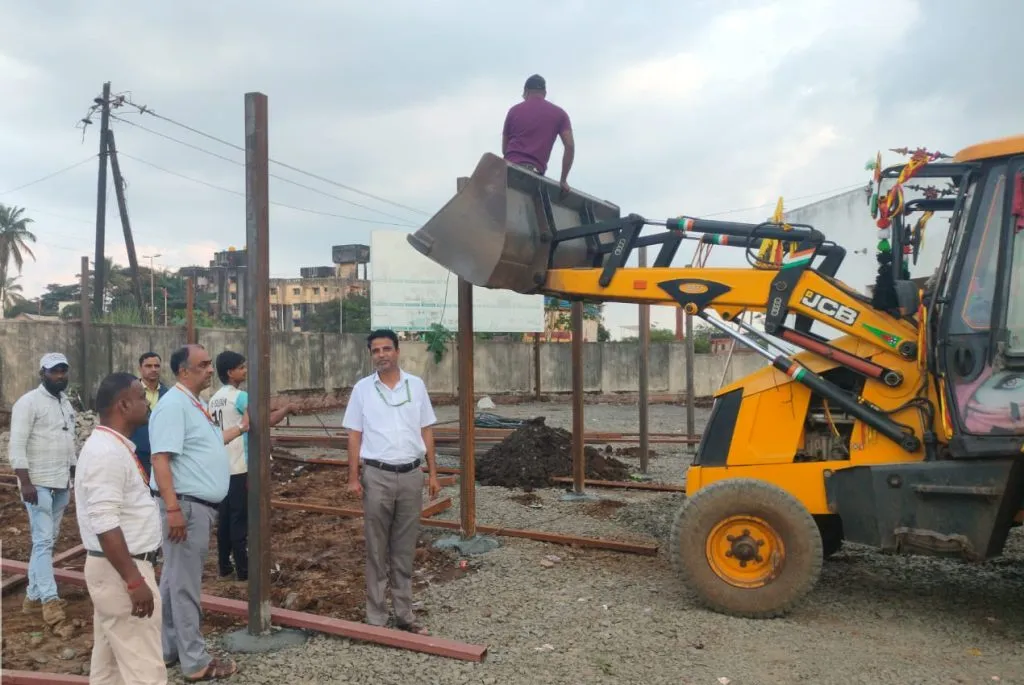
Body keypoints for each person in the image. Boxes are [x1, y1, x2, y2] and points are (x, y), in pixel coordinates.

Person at [343, 329, 441, 634]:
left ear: (397, 351)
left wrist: (433, 473)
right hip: (377, 476)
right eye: (376, 351)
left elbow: (426, 430)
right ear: (371, 355)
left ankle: (404, 614)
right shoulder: (362, 390)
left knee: (404, 548)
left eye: (387, 349)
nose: (381, 354)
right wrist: (353, 477)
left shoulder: (416, 386)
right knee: (376, 548)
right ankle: (376, 617)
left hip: (412, 476)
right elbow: (354, 434)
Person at [148, 344, 236, 681]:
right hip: (185, 506)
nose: (210, 369)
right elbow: (161, 459)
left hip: (193, 506)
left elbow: (207, 447)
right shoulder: (173, 406)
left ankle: (169, 648)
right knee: (185, 585)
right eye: (203, 365)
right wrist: (173, 509)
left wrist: (242, 428)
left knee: (173, 580)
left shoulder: (193, 404)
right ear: (184, 371)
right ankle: (195, 661)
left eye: (209, 364)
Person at [75, 372, 166, 684]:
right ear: (124, 405)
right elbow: (104, 522)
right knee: (146, 673)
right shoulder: (106, 453)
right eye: (141, 397)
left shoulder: (114, 446)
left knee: (110, 670)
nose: (147, 402)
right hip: (122, 571)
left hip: (117, 568)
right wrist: (133, 581)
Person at [208, 350, 297, 581]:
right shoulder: (240, 397)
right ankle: (244, 570)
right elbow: (263, 421)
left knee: (225, 519)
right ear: (230, 372)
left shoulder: (213, 399)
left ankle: (224, 566)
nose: (245, 371)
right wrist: (286, 409)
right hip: (241, 467)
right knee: (240, 520)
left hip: (221, 466)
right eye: (242, 367)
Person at [8, 352, 77, 626]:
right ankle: (50, 601)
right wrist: (25, 482)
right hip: (37, 483)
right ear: (42, 374)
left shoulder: (65, 403)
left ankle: (32, 596)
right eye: (54, 371)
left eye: (63, 371)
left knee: (47, 541)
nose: (59, 376)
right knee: (44, 541)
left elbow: (69, 441)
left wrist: (74, 476)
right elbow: (17, 445)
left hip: (61, 482)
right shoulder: (28, 403)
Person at [501, 74, 575, 192]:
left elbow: (504, 149)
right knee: (537, 207)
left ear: (526, 92)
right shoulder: (560, 114)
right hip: (533, 173)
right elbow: (570, 146)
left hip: (506, 169)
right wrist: (563, 180)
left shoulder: (513, 111)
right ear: (544, 93)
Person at [132, 352, 169, 477]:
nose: (153, 369)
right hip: (136, 454)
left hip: (162, 455)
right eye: (148, 366)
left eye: (156, 366)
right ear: (140, 368)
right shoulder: (130, 393)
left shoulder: (169, 395)